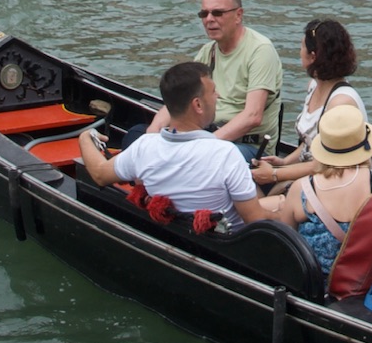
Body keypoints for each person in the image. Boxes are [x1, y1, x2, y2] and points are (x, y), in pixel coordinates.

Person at [77, 62, 272, 224]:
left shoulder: (144, 147)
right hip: (228, 248)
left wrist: (86, 137)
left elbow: (100, 174)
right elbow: (256, 220)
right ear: (197, 105)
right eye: (213, 91)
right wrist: (284, 212)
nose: (217, 96)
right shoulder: (226, 154)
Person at [271, 102, 372, 270]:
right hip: (367, 286)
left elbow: (286, 246)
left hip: (315, 289)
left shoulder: (301, 189)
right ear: (366, 143)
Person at [252, 18, 360, 193]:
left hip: (330, 182)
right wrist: (284, 162)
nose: (299, 51)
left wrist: (275, 174)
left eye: (302, 47)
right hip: (308, 173)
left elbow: (328, 164)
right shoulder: (313, 86)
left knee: (257, 208)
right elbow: (311, 142)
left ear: (313, 56)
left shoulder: (341, 103)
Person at [183, 0, 281, 143]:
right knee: (138, 132)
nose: (209, 19)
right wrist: (154, 131)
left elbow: (253, 116)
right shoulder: (207, 52)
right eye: (204, 14)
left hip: (246, 145)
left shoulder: (260, 50)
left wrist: (206, 144)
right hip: (211, 134)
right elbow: (181, 98)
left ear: (238, 15)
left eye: (217, 13)